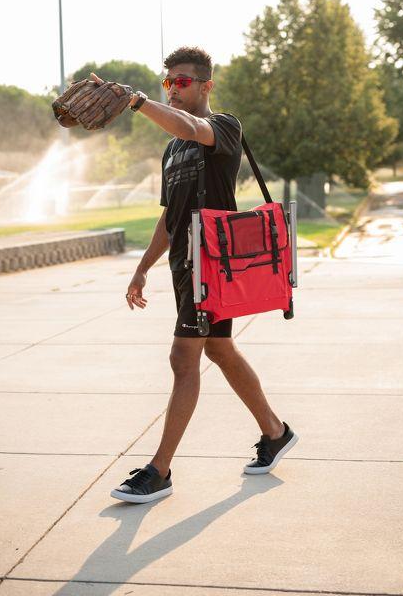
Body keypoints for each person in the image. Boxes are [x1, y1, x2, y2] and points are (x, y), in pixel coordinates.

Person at [100, 46, 299, 504]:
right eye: (167, 81)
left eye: (183, 81)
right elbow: (169, 218)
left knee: (183, 360)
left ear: (206, 85)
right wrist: (142, 268)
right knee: (220, 350)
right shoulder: (171, 151)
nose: (173, 88)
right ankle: (275, 432)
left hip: (214, 268)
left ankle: (159, 471)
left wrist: (137, 101)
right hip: (183, 269)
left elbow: (192, 126)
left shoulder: (224, 128)